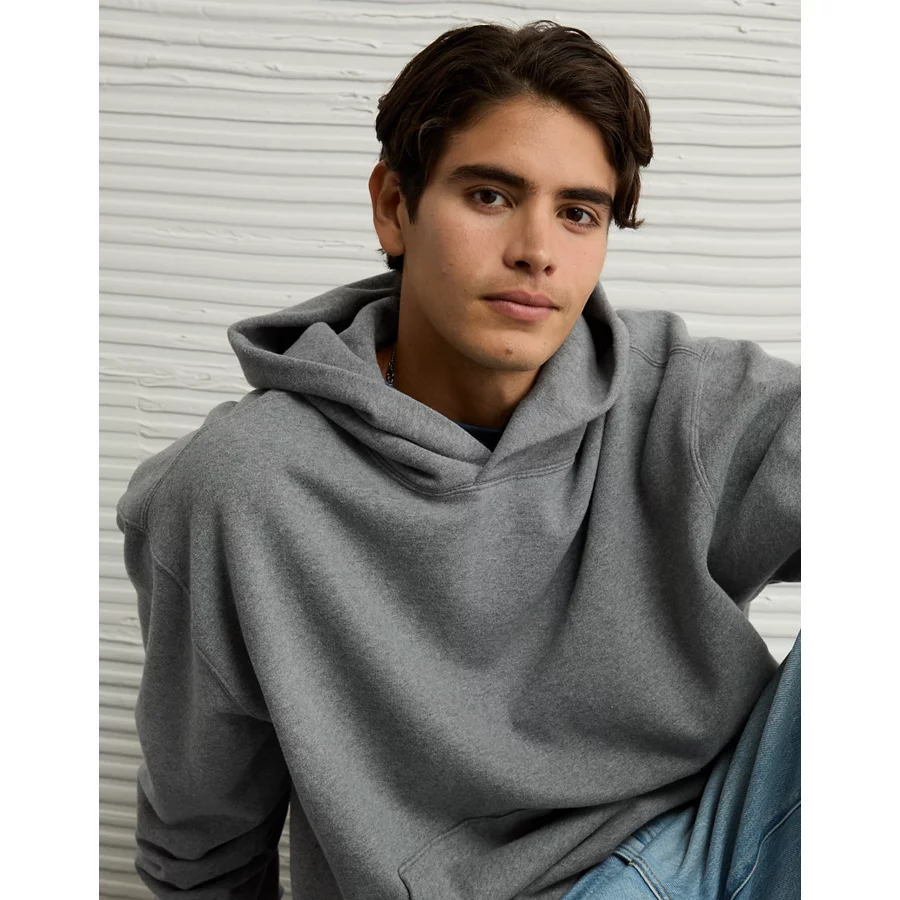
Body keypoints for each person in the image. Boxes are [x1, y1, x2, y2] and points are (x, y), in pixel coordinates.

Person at [116, 19, 800, 900]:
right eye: (489, 196)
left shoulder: (685, 402)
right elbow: (203, 845)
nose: (536, 251)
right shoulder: (239, 491)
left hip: (737, 841)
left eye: (578, 213)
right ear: (394, 206)